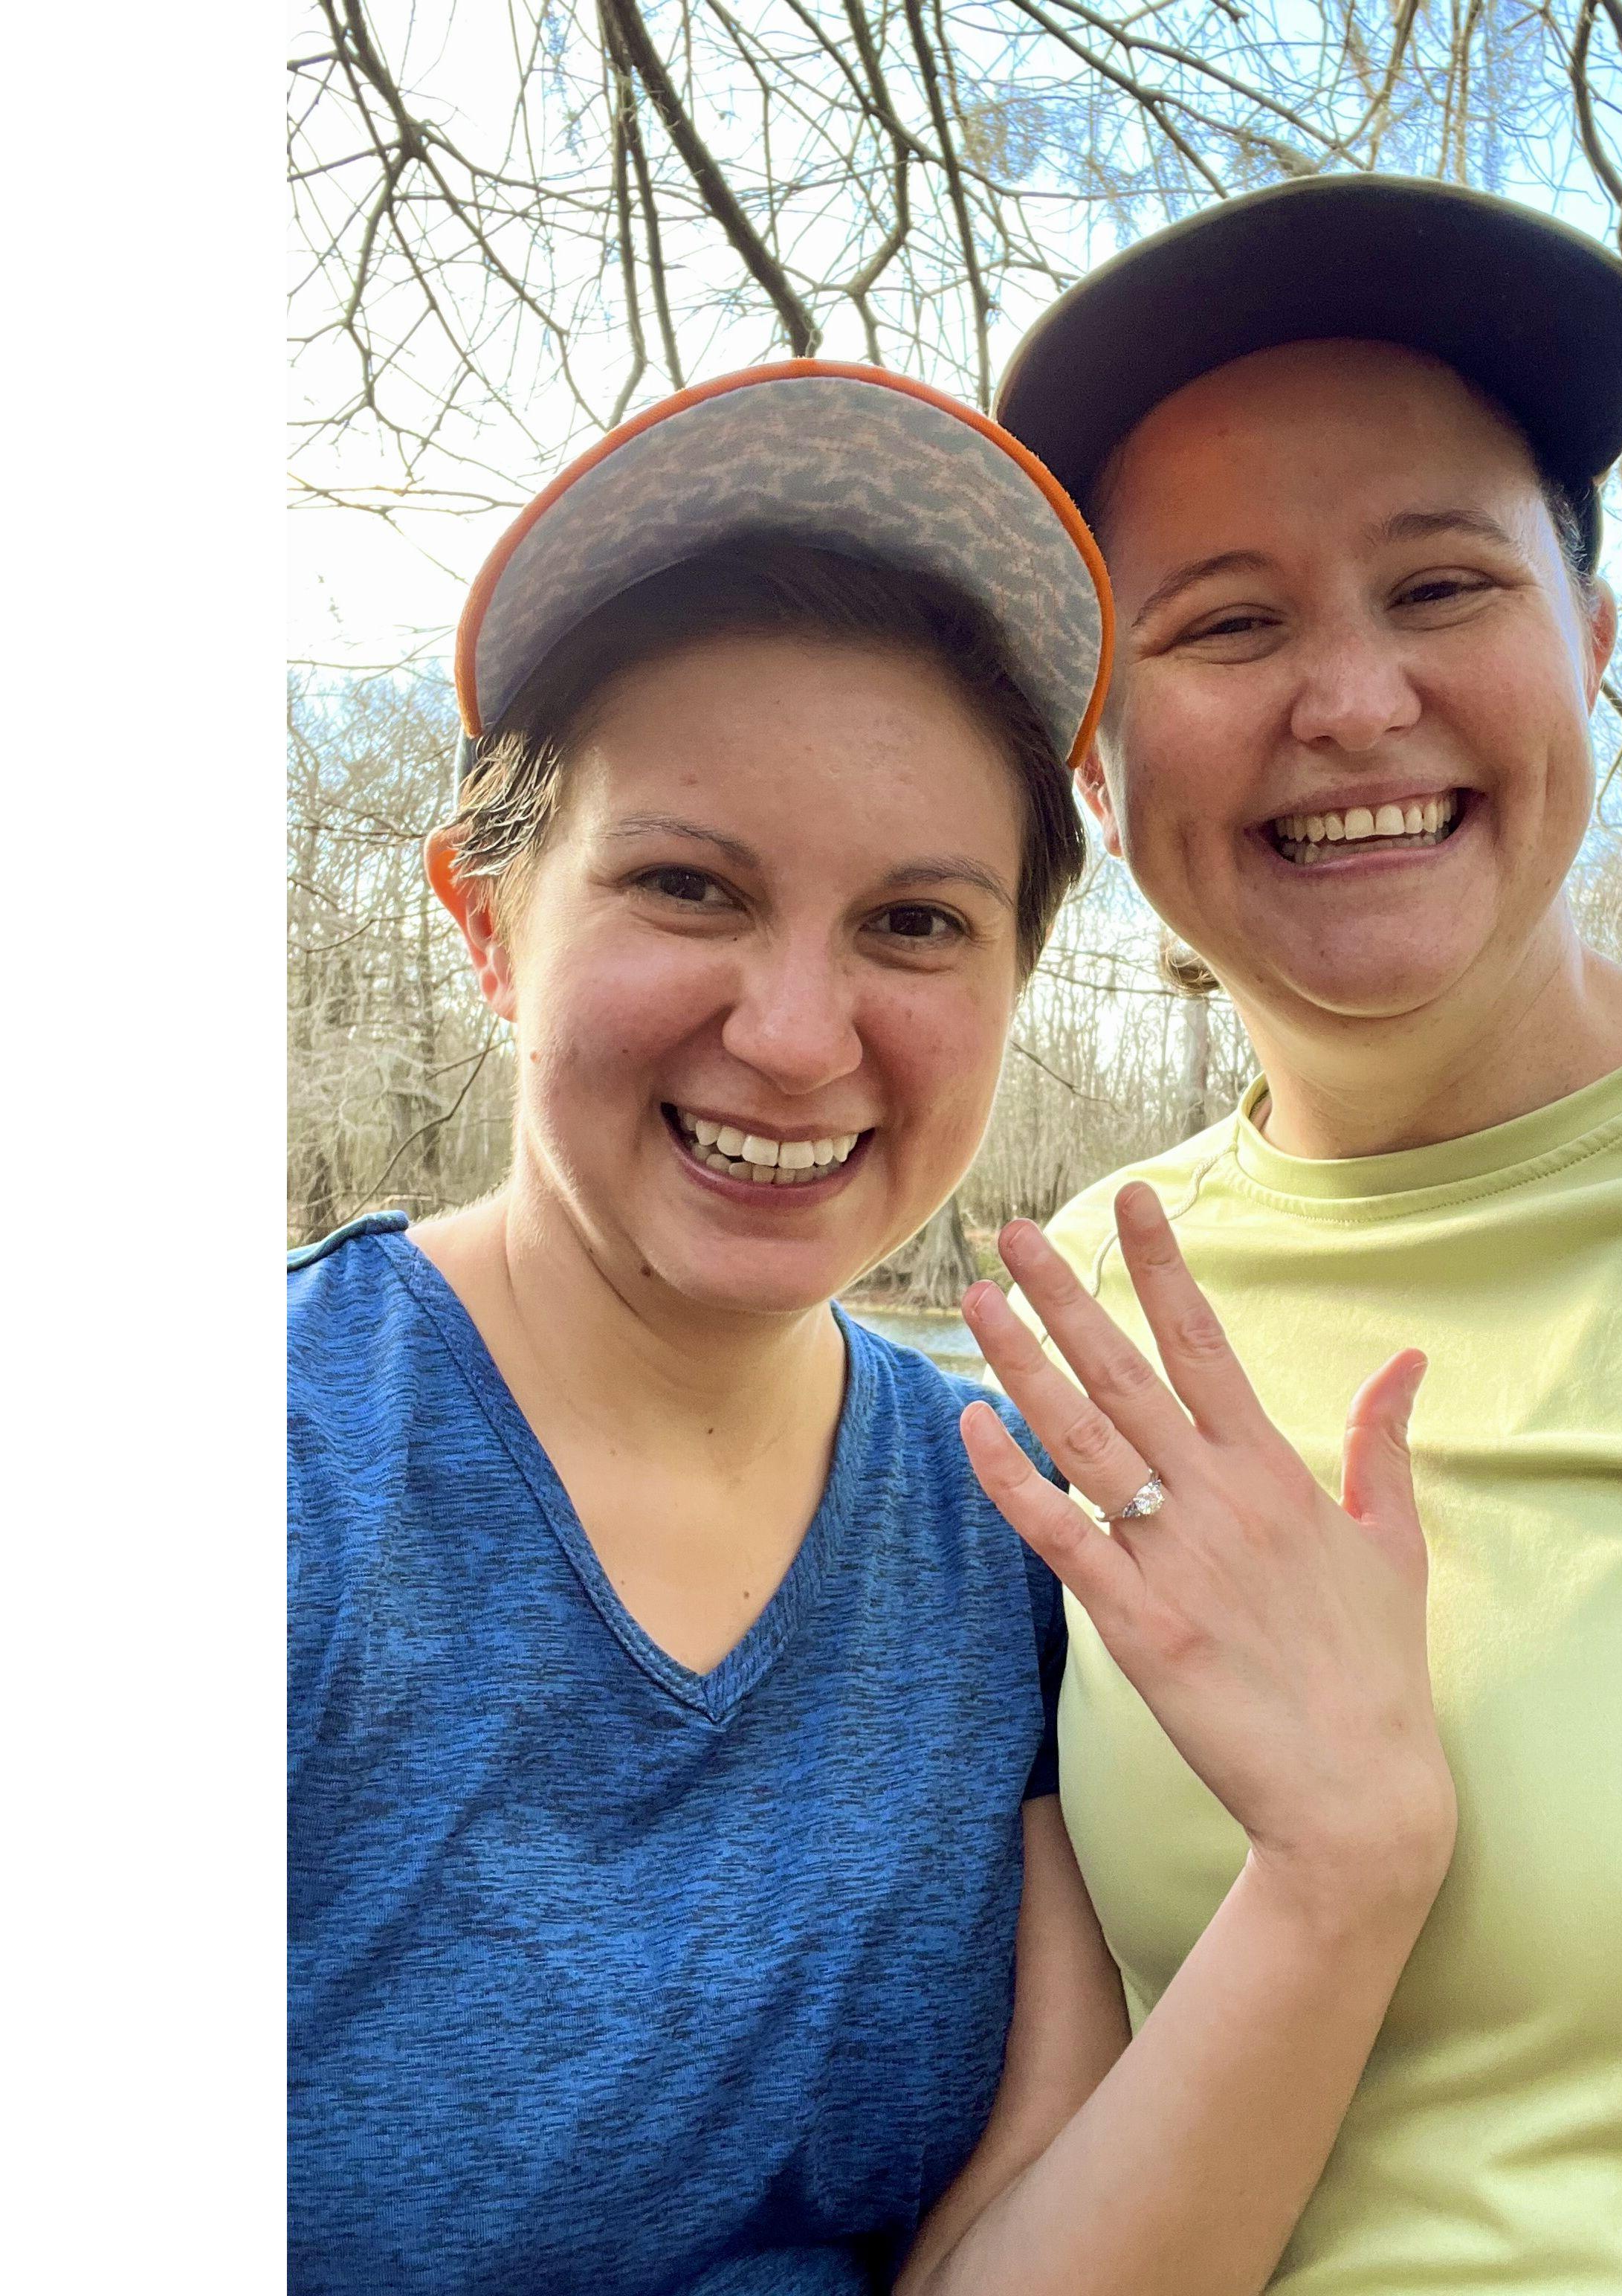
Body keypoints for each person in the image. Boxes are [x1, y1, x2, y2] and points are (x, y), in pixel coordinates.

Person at [288, 362, 1457, 2295]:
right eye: (687, 885)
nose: (800, 1036)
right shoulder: (295, 1473)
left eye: (917, 922)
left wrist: (1343, 1867)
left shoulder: (1002, 1531)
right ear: (488, 921)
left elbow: (1006, 2250)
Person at [976, 176, 1622, 2294]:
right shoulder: (1078, 1312)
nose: (1352, 703)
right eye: (1228, 622)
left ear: (1595, 647)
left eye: (1442, 586)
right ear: (1098, 744)